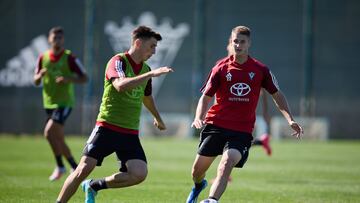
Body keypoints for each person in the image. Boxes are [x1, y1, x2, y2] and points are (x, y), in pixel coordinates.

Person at [56, 25, 173, 203]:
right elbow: (120, 85)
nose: (154, 51)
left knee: (139, 173)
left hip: (130, 132)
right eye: (152, 46)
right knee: (83, 169)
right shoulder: (118, 61)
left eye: (156, 47)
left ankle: (94, 186)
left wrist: (158, 118)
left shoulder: (146, 69)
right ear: (138, 43)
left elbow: (147, 98)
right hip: (107, 127)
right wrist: (151, 74)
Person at [186, 25, 303, 203]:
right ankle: (198, 185)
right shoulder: (220, 68)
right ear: (231, 42)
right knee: (196, 171)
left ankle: (211, 200)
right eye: (235, 41)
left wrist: (290, 120)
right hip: (215, 125)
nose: (238, 45)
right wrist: (197, 117)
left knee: (226, 163)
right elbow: (205, 97)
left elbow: (277, 95)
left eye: (242, 41)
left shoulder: (260, 70)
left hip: (241, 131)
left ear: (249, 43)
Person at [33, 26, 88, 181]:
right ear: (49, 39)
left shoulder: (70, 58)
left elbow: (84, 78)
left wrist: (68, 79)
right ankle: (74, 167)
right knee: (57, 137)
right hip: (49, 102)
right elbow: (36, 81)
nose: (57, 40)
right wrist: (39, 76)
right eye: (54, 37)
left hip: (64, 103)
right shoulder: (43, 58)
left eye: (60, 37)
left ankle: (61, 166)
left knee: (48, 132)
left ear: (63, 40)